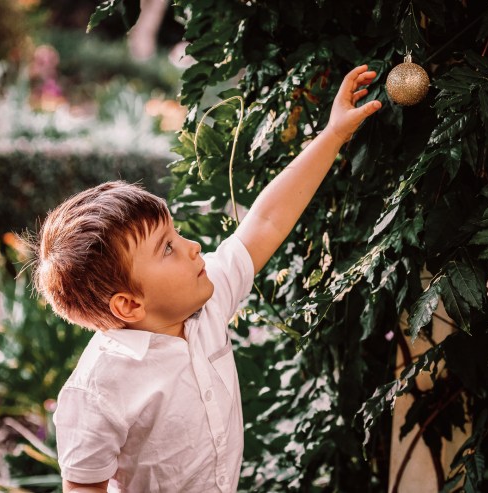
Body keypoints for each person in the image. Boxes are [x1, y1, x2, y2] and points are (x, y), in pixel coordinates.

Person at [31, 65, 382, 493]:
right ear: (129, 304)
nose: (193, 247)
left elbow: (266, 221)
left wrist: (333, 134)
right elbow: (84, 487)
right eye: (167, 248)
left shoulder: (205, 298)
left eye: (176, 234)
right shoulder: (98, 389)